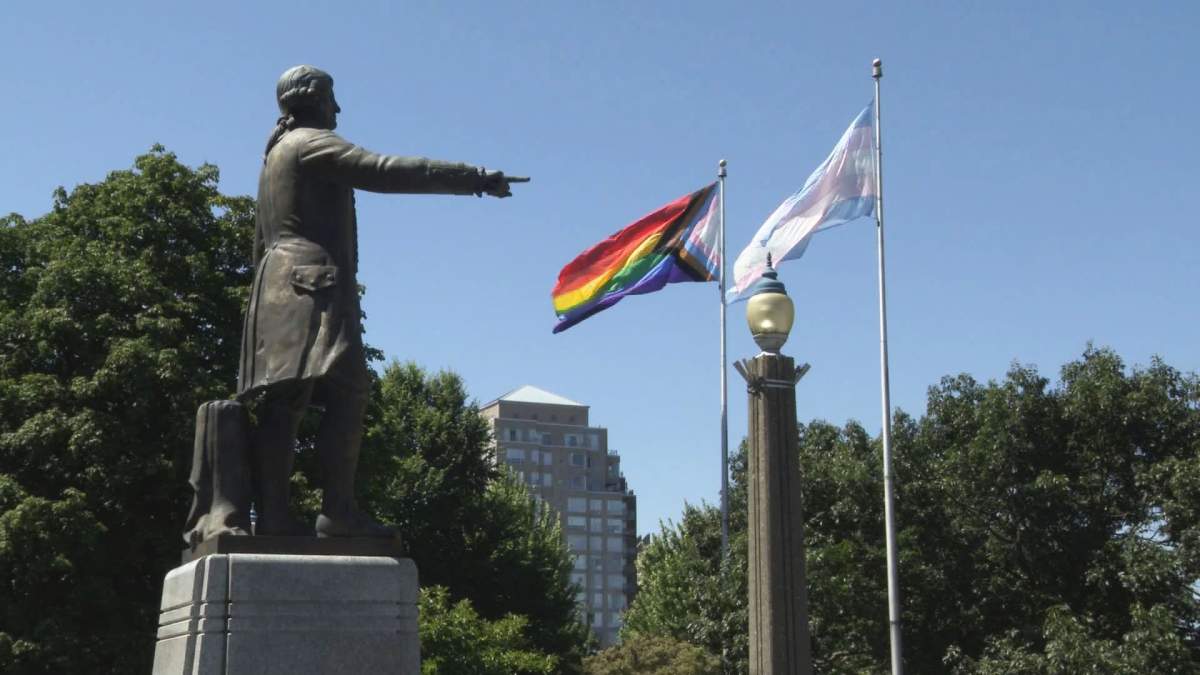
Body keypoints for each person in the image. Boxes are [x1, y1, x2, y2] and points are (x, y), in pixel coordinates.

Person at [237, 65, 517, 537]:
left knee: (286, 404)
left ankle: (275, 516)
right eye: (332, 97)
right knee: (349, 392)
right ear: (312, 100)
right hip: (313, 285)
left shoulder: (275, 156)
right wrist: (472, 177)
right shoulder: (310, 143)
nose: (338, 108)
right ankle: (337, 512)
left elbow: (259, 241)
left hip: (276, 286)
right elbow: (383, 171)